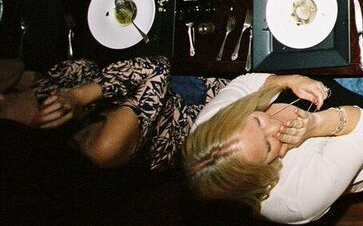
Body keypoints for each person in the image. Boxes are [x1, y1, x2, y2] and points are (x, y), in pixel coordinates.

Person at [183, 73, 363, 225]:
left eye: (258, 121)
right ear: (261, 172)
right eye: (268, 146)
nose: (275, 126)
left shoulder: (209, 127)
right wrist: (315, 125)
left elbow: (245, 83)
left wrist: (290, 81)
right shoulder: (299, 200)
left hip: (326, 105)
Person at [0, 56, 226, 172]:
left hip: (176, 78)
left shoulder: (33, 98)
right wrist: (80, 96)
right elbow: (157, 67)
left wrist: (18, 67)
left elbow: (86, 67)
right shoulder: (103, 148)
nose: (2, 97)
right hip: (198, 112)